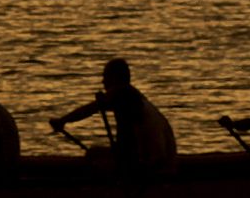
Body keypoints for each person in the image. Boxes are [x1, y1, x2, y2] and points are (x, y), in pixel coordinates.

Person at [49, 58, 177, 177]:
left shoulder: (121, 93)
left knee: (93, 155)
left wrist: (63, 121)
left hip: (153, 162)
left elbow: (90, 109)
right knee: (99, 153)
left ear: (115, 78)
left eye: (105, 76)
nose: (103, 81)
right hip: (161, 157)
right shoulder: (134, 97)